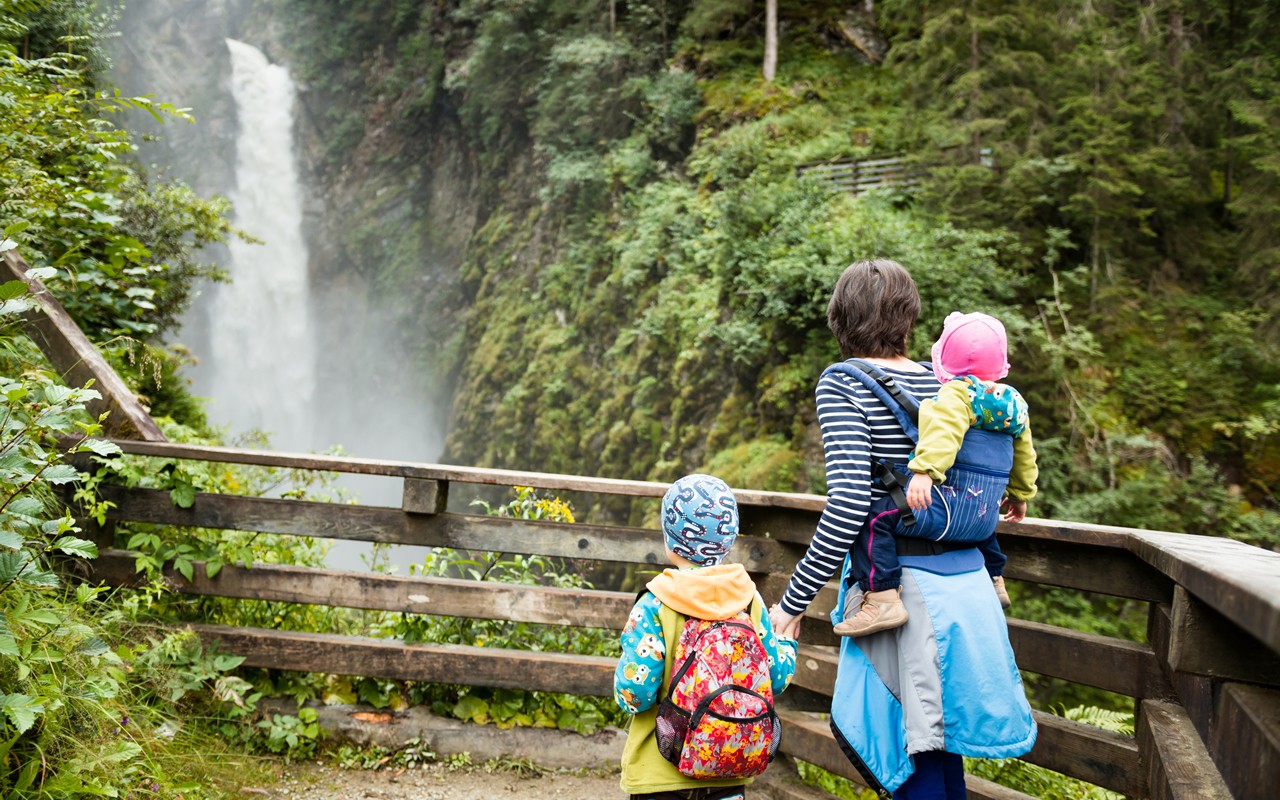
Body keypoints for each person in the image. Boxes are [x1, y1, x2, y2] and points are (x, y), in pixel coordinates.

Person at [769, 260, 1036, 799]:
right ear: (908, 318)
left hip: (902, 592)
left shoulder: (842, 382)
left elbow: (847, 504)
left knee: (911, 761)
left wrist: (791, 604)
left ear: (840, 319)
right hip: (968, 582)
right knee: (940, 751)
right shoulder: (945, 381)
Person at [835, 311, 1038, 636]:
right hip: (981, 519)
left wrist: (926, 472)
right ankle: (995, 578)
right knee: (983, 518)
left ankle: (883, 597)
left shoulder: (957, 394)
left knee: (873, 519)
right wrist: (1022, 495)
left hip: (942, 511)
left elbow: (944, 433)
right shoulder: (1015, 404)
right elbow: (1025, 455)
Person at [616, 473, 798, 800]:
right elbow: (777, 678)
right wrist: (786, 643)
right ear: (728, 541)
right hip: (730, 768)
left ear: (670, 541)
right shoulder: (749, 601)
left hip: (659, 773)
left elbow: (635, 693)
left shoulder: (655, 604)